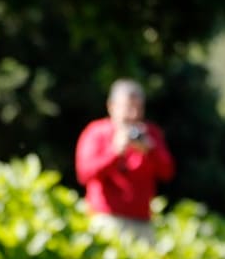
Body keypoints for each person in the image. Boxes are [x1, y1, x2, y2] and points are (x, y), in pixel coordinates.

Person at [74, 78, 175, 240]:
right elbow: (84, 174)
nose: (134, 114)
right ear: (111, 107)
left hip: (143, 222)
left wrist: (151, 150)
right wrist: (115, 152)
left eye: (138, 108)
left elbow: (167, 172)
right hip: (106, 219)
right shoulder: (96, 132)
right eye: (128, 108)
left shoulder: (150, 134)